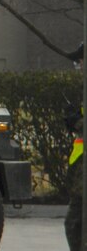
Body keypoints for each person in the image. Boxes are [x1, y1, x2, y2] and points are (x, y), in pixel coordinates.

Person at [65, 42, 84, 251]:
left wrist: (79, 123)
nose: (78, 65)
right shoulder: (81, 89)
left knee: (74, 224)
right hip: (81, 172)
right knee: (73, 225)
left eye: (80, 60)